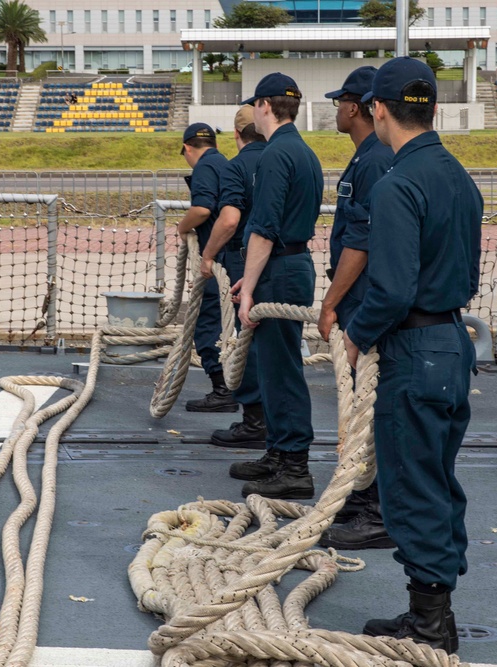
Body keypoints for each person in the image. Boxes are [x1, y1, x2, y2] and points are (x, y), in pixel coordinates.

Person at [343, 57, 482, 654]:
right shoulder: (458, 176)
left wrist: (355, 335)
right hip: (451, 344)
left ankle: (429, 622)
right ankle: (434, 606)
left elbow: (392, 288)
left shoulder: (398, 183)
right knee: (438, 480)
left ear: (378, 108)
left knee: (411, 484)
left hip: (413, 348)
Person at [228, 73, 323, 499]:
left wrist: (248, 288)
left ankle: (295, 466)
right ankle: (279, 452)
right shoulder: (304, 153)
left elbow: (264, 228)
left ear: (264, 105)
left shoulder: (272, 155)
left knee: (281, 370)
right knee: (275, 366)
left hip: (280, 270)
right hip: (293, 263)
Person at [315, 66, 396, 552]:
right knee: (366, 407)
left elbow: (360, 242)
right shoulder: (372, 157)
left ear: (358, 106)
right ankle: (364, 499)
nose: (337, 110)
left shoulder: (371, 162)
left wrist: (331, 303)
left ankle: (374, 508)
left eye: (341, 101)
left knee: (373, 407)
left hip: (365, 301)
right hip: (363, 299)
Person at [200, 106, 268, 449]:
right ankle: (276, 426)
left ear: (237, 135)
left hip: (243, 261)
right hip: (283, 261)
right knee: (275, 346)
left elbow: (228, 221)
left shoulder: (236, 166)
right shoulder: (282, 159)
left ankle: (254, 421)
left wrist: (208, 255)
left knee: (245, 344)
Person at [177, 123, 236, 413]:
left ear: (188, 148)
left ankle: (222, 389)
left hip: (216, 259)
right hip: (233, 256)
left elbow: (202, 209)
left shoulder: (203, 167)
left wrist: (182, 226)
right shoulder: (226, 163)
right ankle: (236, 385)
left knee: (207, 323)